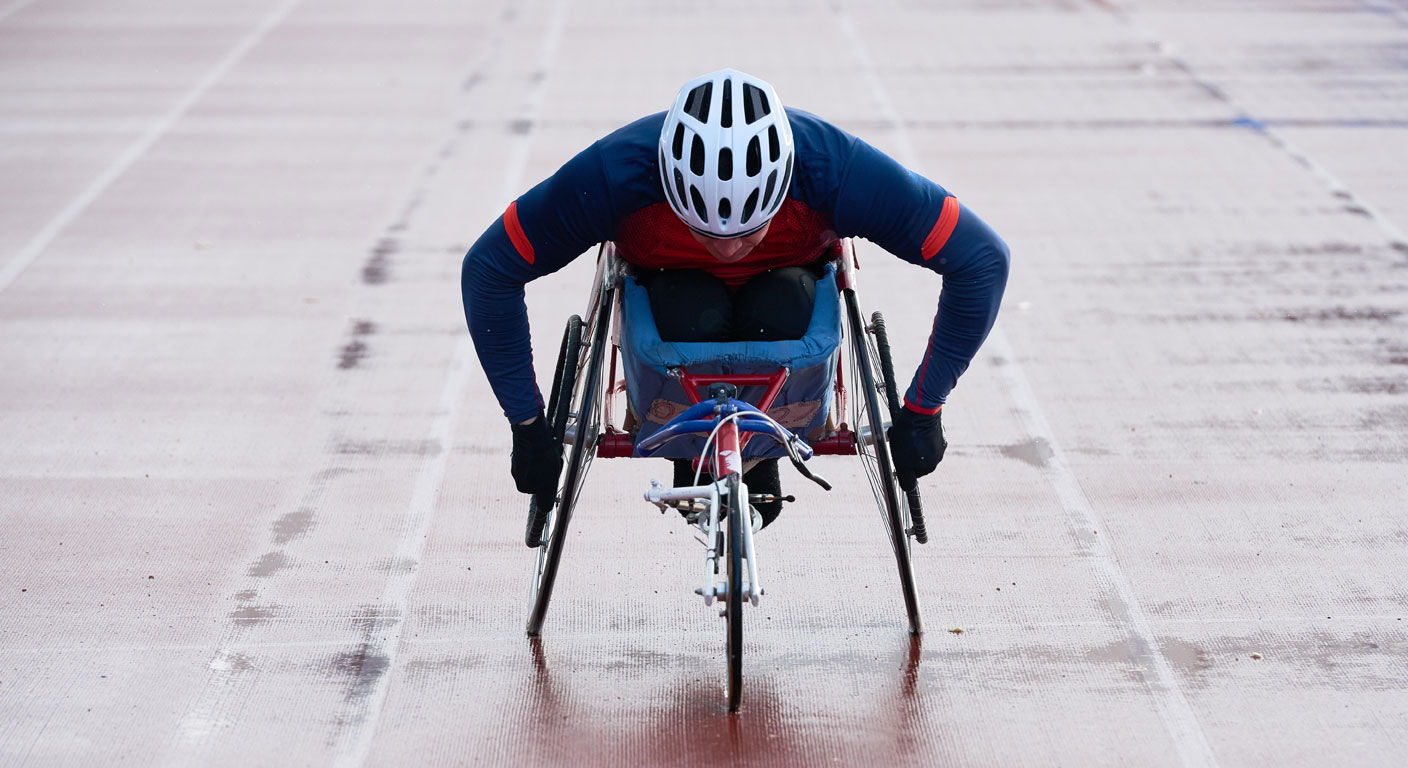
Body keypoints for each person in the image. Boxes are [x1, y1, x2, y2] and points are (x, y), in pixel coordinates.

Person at [462, 69, 1008, 531]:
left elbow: (981, 259)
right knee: (687, 303)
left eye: (749, 231)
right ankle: (688, 439)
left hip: (784, 295)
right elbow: (488, 270)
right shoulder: (615, 173)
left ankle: (767, 441)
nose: (727, 249)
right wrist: (528, 424)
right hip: (671, 301)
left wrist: (923, 408)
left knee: (785, 301)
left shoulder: (836, 170)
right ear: (667, 186)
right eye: (703, 229)